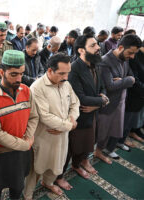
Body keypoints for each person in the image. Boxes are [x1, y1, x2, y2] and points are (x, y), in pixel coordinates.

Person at [55, 35, 109, 190]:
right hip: (76, 117)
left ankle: (77, 165)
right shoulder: (73, 69)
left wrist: (99, 103)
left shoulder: (95, 64)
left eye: (97, 44)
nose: (98, 47)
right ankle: (59, 177)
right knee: (69, 150)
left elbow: (102, 89)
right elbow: (80, 98)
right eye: (93, 45)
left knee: (86, 144)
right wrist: (102, 101)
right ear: (81, 50)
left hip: (91, 115)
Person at [0, 50, 38, 199]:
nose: (19, 79)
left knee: (18, 186)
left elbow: (33, 117)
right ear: (2, 72)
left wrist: (28, 136)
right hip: (1, 153)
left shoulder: (26, 91)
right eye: (14, 74)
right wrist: (24, 144)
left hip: (22, 150)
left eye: (21, 73)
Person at [23, 53, 79, 198]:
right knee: (36, 168)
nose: (66, 77)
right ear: (49, 71)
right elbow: (45, 116)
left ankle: (48, 183)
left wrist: (71, 120)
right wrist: (69, 125)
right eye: (61, 73)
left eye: (67, 73)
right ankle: (27, 194)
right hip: (44, 136)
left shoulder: (66, 83)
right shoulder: (37, 87)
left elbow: (75, 104)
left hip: (61, 135)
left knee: (56, 164)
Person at [95, 34, 141, 163]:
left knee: (115, 129)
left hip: (120, 101)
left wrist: (124, 80)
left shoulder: (125, 58)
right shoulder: (105, 61)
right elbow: (110, 86)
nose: (132, 57)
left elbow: (130, 77)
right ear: (120, 47)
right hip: (108, 105)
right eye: (130, 53)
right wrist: (128, 80)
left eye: (134, 54)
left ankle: (106, 149)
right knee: (102, 132)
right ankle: (97, 152)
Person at [117, 40, 144, 148]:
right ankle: (119, 140)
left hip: (140, 95)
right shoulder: (135, 57)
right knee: (126, 119)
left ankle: (124, 137)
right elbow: (133, 79)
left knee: (131, 119)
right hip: (132, 94)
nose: (131, 55)